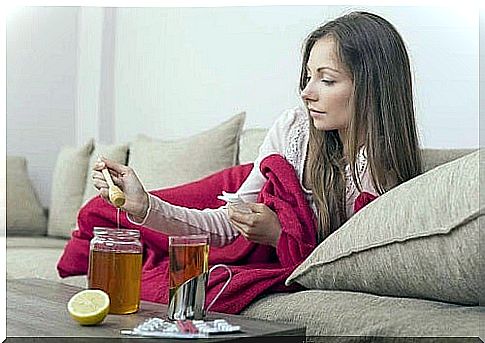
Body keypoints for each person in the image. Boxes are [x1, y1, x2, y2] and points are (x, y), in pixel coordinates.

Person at [92, 11, 422, 248]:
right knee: (101, 214)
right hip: (242, 183)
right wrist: (142, 205)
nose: (307, 92)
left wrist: (280, 237)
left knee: (107, 222)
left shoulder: (379, 180)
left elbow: (348, 265)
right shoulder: (293, 130)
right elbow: (226, 224)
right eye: (309, 77)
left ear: (372, 87)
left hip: (259, 208)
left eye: (328, 79)